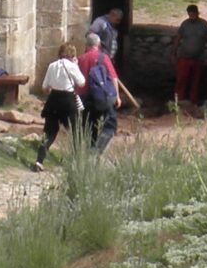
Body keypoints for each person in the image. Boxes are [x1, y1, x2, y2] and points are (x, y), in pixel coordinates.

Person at [79, 33, 137, 150]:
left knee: (90, 126)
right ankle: (97, 150)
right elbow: (113, 77)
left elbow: (77, 81)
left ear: (87, 45)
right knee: (110, 125)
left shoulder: (81, 59)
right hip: (103, 96)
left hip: (86, 98)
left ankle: (90, 150)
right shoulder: (103, 57)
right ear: (98, 44)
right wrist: (117, 96)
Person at [34, 40, 86, 168]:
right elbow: (81, 82)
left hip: (53, 99)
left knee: (49, 132)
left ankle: (39, 160)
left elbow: (45, 87)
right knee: (75, 131)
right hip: (68, 100)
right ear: (72, 55)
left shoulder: (52, 65)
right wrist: (76, 66)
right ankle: (75, 161)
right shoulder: (72, 66)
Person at [172, 3, 207, 112]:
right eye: (190, 15)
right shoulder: (185, 24)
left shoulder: (204, 25)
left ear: (197, 13)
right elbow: (178, 38)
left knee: (195, 81)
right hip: (184, 57)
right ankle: (178, 101)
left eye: (193, 14)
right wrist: (174, 53)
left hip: (198, 58)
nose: (191, 17)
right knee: (181, 79)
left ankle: (193, 102)